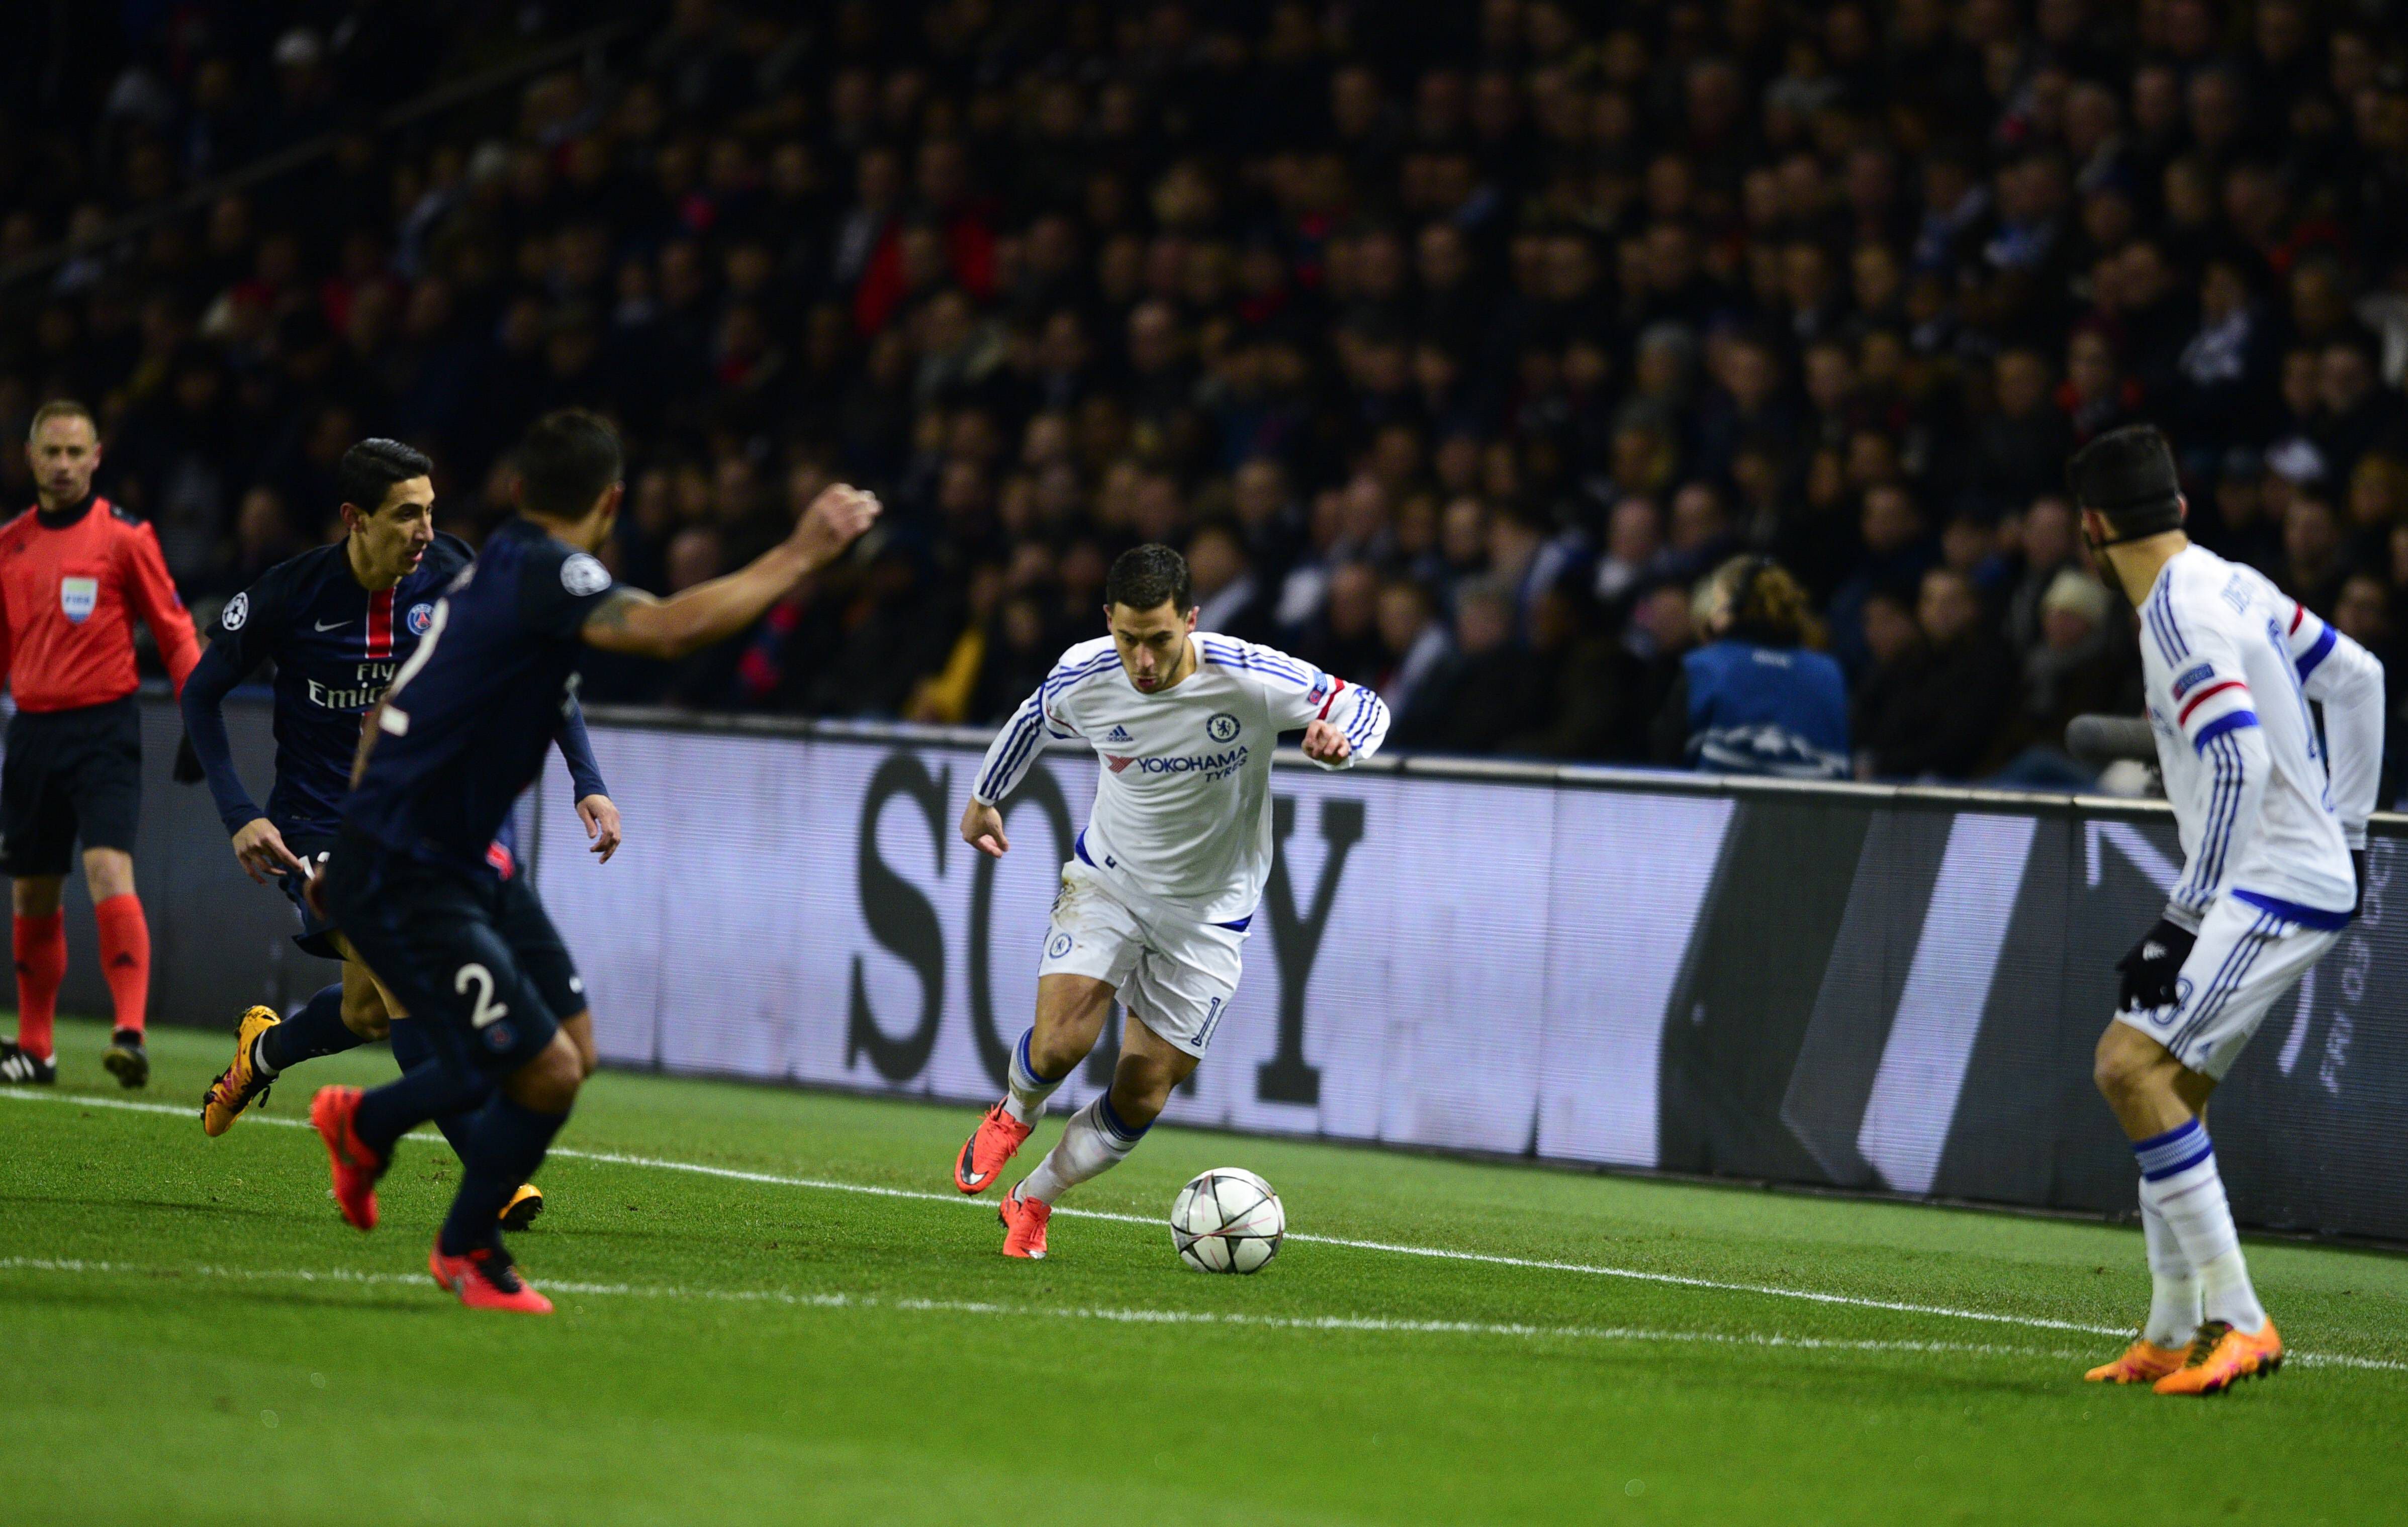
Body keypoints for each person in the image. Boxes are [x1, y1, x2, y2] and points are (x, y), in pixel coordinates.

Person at [304, 410, 878, 1311]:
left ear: (522, 491)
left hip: (453, 856)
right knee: (545, 1070)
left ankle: (365, 1120)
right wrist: (801, 553)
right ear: (612, 502)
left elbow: (382, 718)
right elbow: (671, 628)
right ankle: (466, 1245)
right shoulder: (554, 574)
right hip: (412, 865)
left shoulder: (496, 562)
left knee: (572, 1048)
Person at [181, 438, 624, 1232]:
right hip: (319, 827)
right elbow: (201, 693)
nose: (425, 530)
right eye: (405, 514)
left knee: (368, 1013)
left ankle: (264, 1053)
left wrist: (586, 777)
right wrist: (239, 812)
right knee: (407, 983)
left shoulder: (457, 570)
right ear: (355, 519)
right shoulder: (291, 594)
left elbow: (536, 669)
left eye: (430, 510)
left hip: (422, 825)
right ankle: (489, 1168)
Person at [950, 543, 1389, 1259]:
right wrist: (983, 799)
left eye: (1159, 638)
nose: (1143, 660)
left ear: (1190, 619)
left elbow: (1363, 704)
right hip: (1110, 882)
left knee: (1143, 1092)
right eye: (1128, 639)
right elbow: (1033, 718)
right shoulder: (1087, 673)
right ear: (1108, 623)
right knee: (1061, 1042)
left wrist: (1342, 741)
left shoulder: (1247, 676)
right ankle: (1015, 1110)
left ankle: (1033, 1198)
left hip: (1210, 914)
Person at [2072, 424, 2384, 1395]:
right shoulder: (2234, 579)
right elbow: (2358, 677)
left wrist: (2181, 921)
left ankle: (2241, 1318)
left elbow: (2240, 758)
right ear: (2181, 508)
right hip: (2301, 872)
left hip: (2269, 881)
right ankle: (2169, 1328)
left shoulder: (2172, 613)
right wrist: (2355, 840)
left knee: (2127, 1066)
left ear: (2091, 527)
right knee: (2170, 1087)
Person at [0, 400, 201, 1088]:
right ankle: (36, 1047)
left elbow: (174, 630)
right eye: (50, 452)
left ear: (96, 457)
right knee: (32, 890)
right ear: (30, 456)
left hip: (103, 729)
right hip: (31, 733)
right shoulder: (10, 544)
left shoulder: (125, 537)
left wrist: (197, 714)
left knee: (109, 869)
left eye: (74, 452)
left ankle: (130, 1033)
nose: (62, 465)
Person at [1650, 555, 1848, 778]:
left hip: (1719, 811)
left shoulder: (1706, 668)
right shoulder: (1829, 674)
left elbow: (1666, 758)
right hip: (1812, 812)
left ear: (1728, 608)